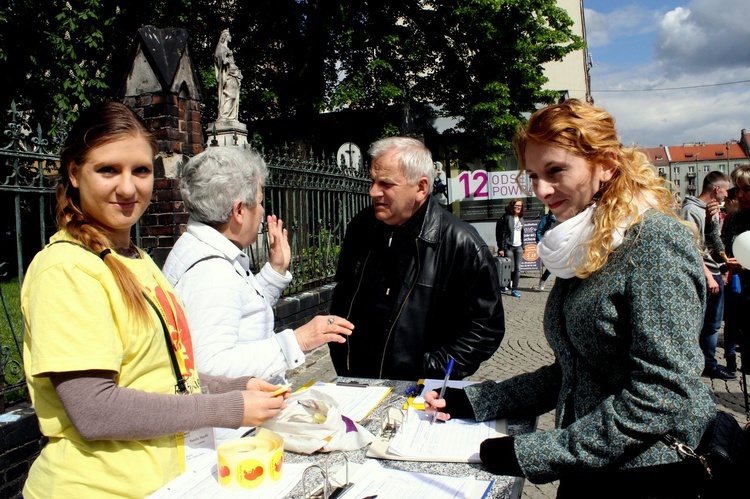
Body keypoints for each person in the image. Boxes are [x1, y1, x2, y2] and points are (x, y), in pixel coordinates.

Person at [424, 99, 715, 498]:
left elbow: (662, 392)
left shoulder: (654, 241)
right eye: (533, 175)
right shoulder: (586, 240)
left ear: (607, 164)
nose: (541, 189)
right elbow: (577, 370)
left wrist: (541, 451)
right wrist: (477, 401)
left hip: (650, 473)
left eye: (556, 170)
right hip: (592, 468)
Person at [21, 102, 290, 498]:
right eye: (108, 169)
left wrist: (231, 386)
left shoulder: (137, 260)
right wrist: (229, 408)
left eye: (141, 171)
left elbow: (160, 373)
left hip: (163, 482)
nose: (128, 187)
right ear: (75, 173)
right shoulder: (66, 269)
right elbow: (96, 410)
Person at [161, 146, 353, 439]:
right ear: (239, 210)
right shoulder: (211, 271)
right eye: (259, 202)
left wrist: (274, 272)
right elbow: (209, 365)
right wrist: (297, 341)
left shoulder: (211, 251)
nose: (262, 211)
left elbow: (241, 311)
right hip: (229, 435)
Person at [329, 136, 505, 381]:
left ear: (421, 187)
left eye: (386, 184)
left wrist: (430, 371)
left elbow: (485, 328)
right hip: (356, 381)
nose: (373, 192)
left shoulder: (462, 243)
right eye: (372, 181)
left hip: (419, 394)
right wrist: (341, 349)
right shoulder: (362, 227)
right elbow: (343, 294)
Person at [681, 171, 734, 380]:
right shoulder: (690, 210)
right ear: (717, 189)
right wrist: (708, 277)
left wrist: (722, 267)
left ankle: (709, 363)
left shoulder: (709, 210)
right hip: (704, 276)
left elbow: (713, 243)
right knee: (701, 324)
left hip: (714, 273)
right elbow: (692, 248)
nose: (727, 195)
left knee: (713, 324)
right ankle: (699, 365)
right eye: (727, 189)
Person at [722, 165, 750, 373]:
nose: (739, 195)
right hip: (742, 295)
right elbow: (721, 248)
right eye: (737, 189)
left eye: (746, 189)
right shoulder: (734, 219)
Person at [495, 198, 525, 297]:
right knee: (509, 268)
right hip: (509, 246)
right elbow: (503, 233)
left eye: (520, 206)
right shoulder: (507, 217)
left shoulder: (521, 218)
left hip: (518, 247)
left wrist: (523, 245)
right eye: (516, 206)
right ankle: (505, 284)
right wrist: (501, 248)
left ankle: (514, 289)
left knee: (518, 269)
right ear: (512, 207)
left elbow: (522, 233)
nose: (518, 208)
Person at [535, 210, 556, 290]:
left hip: (561, 243)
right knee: (553, 264)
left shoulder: (563, 216)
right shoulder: (547, 218)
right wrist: (540, 243)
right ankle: (543, 280)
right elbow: (539, 231)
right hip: (549, 244)